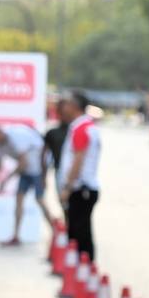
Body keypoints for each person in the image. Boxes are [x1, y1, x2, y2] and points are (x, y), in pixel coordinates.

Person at [0, 122, 55, 244]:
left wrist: (6, 180)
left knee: (40, 200)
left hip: (37, 169)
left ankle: (56, 232)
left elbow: (23, 162)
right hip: (26, 171)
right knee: (19, 200)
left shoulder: (15, 136)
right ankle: (16, 236)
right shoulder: (0, 144)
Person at [57, 90, 101, 261]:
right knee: (81, 231)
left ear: (74, 106)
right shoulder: (85, 126)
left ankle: (82, 271)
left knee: (79, 233)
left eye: (66, 103)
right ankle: (82, 269)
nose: (63, 107)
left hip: (81, 189)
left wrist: (67, 187)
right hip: (84, 188)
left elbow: (78, 160)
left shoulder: (81, 128)